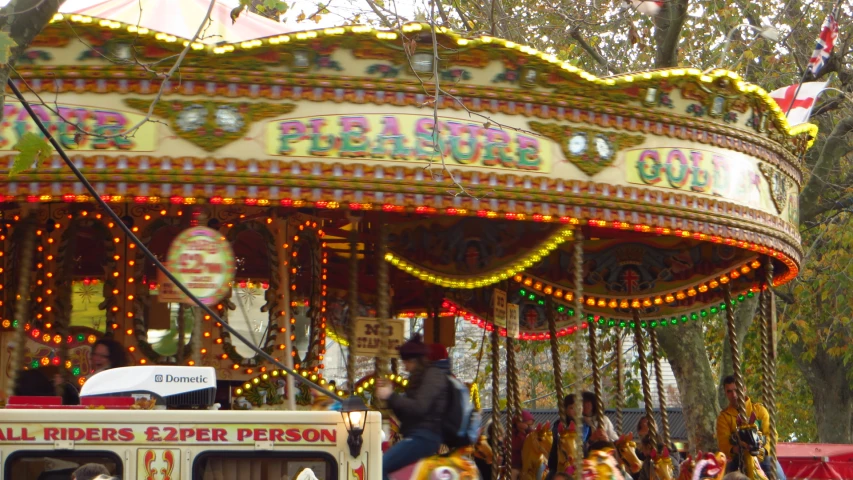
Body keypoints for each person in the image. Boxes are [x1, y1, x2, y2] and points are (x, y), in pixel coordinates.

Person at [376, 334, 448, 480]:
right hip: (417, 435)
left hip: (424, 436)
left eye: (406, 363)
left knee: (380, 466)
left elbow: (419, 407)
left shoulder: (433, 376)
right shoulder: (418, 377)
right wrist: (390, 398)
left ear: (415, 360)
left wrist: (391, 396)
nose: (405, 367)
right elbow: (407, 415)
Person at [716, 376, 774, 477]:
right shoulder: (724, 417)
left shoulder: (759, 410)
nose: (733, 395)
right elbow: (723, 441)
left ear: (744, 389)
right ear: (725, 393)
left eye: (736, 390)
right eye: (729, 391)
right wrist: (735, 449)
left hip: (762, 457)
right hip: (738, 458)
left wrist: (764, 450)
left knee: (777, 474)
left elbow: (770, 434)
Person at [547, 394, 590, 480]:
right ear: (565, 410)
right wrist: (562, 433)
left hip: (583, 459)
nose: (576, 410)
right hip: (561, 461)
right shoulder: (560, 424)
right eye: (572, 408)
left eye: (579, 407)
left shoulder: (586, 425)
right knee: (551, 475)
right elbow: (555, 435)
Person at [510, 410, 535, 478]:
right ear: (518, 423)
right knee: (513, 474)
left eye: (530, 425)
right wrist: (522, 433)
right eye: (527, 425)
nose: (529, 427)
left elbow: (535, 439)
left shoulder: (531, 432)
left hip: (530, 465)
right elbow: (516, 445)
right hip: (516, 465)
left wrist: (527, 429)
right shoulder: (511, 433)